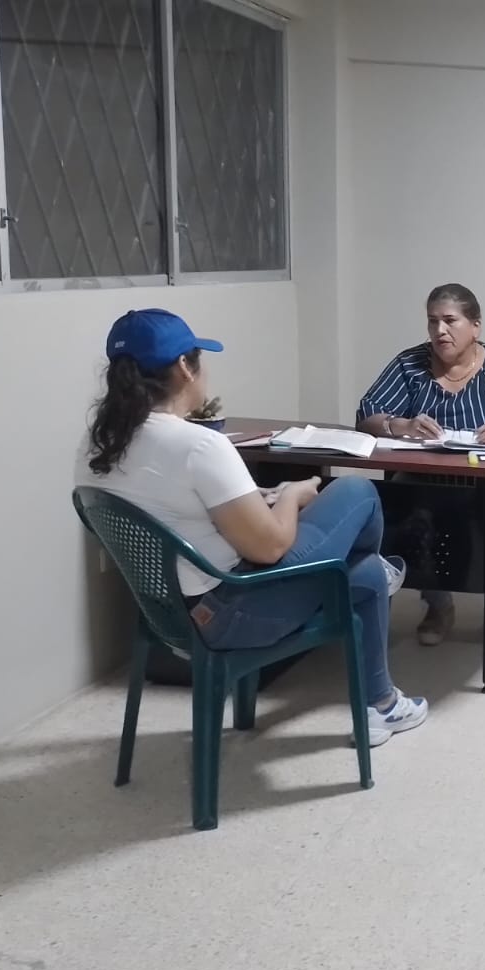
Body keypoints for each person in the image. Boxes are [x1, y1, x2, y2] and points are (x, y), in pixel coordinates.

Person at [77, 309, 428, 747]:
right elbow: (271, 547)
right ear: (185, 367)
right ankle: (377, 597)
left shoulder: (98, 443)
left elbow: (171, 511)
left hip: (166, 615)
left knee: (367, 575)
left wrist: (252, 498)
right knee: (357, 492)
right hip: (231, 614)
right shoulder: (198, 444)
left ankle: (383, 702)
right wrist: (292, 495)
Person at [357, 283, 485, 647]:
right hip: (426, 478)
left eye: (450, 321)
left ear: (475, 326)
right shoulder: (410, 364)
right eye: (432, 321)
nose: (440, 330)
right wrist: (401, 425)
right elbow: (367, 414)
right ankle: (438, 604)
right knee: (406, 522)